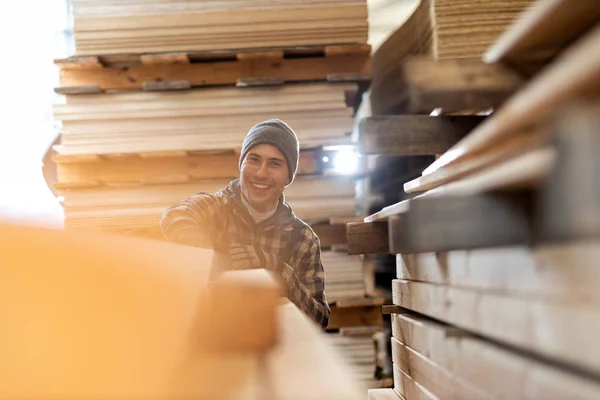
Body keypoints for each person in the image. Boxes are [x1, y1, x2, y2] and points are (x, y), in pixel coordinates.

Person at [159, 119, 330, 328]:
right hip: (208, 343)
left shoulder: (303, 239)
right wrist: (211, 257)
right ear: (241, 164)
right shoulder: (216, 208)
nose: (261, 173)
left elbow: (319, 320)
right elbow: (175, 215)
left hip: (270, 350)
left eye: (274, 164)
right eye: (254, 160)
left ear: (288, 177)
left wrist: (276, 269)